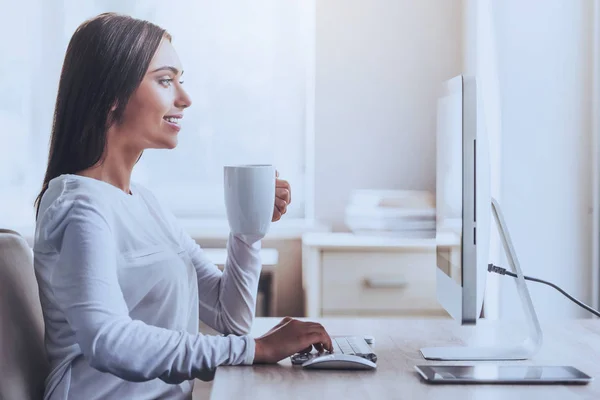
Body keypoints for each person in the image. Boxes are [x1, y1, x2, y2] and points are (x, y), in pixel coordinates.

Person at [33, 12, 333, 400]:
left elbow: (231, 320)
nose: (184, 98)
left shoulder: (144, 203)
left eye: (180, 80)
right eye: (165, 80)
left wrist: (247, 228)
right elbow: (108, 341)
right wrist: (256, 349)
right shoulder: (80, 207)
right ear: (111, 96)